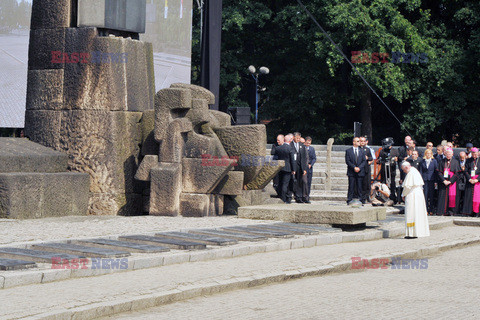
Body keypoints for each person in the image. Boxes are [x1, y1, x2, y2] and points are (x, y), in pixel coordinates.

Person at [401, 162, 430, 238]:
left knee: (412, 213)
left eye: (404, 170)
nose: (404, 172)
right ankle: (419, 232)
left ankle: (412, 233)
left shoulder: (411, 173)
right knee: (418, 213)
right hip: (418, 195)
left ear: (407, 167)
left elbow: (407, 187)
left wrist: (403, 195)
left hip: (412, 195)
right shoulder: (415, 171)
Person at [436, 148, 461, 216]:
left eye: (450, 154)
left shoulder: (456, 162)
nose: (448, 155)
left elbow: (457, 173)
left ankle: (451, 211)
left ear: (452, 154)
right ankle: (443, 211)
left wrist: (450, 181)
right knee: (442, 197)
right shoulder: (441, 161)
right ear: (445, 154)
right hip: (443, 182)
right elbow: (439, 172)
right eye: (447, 153)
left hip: (452, 183)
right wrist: (443, 180)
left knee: (452, 197)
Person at [272, 135, 296, 203]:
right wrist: (294, 169)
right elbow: (292, 160)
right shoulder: (290, 148)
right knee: (285, 184)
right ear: (289, 140)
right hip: (288, 168)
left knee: (280, 183)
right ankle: (284, 199)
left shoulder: (278, 148)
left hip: (280, 168)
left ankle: (280, 197)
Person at [345, 137, 367, 204]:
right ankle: (349, 199)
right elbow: (348, 161)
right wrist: (354, 167)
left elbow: (364, 161)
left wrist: (359, 168)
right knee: (351, 186)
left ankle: (360, 199)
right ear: (354, 142)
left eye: (359, 141)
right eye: (357, 141)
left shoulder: (362, 151)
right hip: (352, 171)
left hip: (360, 171)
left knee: (359, 186)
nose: (359, 142)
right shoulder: (348, 151)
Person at [377, 137, 398, 202]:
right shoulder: (382, 151)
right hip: (384, 170)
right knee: (383, 183)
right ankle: (384, 196)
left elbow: (398, 159)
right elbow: (379, 159)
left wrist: (395, 159)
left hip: (392, 170)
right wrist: (379, 160)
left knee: (392, 183)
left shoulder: (395, 150)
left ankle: (393, 197)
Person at [290, 132, 308, 203]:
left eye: (299, 138)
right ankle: (294, 196)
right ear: (294, 137)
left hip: (300, 166)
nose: (298, 139)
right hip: (293, 166)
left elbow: (304, 158)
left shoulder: (301, 145)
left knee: (300, 182)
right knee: (294, 182)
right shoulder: (290, 145)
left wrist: (304, 169)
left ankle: (299, 197)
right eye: (297, 138)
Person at [462, 148, 480, 217]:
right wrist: (469, 179)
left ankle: (477, 212)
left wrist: (477, 179)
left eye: (476, 153)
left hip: (478, 182)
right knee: (469, 197)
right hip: (470, 181)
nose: (474, 154)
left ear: (478, 153)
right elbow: (465, 171)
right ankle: (469, 212)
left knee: (477, 198)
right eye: (473, 153)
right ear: (471, 153)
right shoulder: (468, 160)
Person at [419, 148, 438, 215]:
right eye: (427, 153)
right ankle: (426, 209)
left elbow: (436, 171)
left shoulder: (434, 161)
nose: (428, 155)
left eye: (429, 153)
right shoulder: (422, 161)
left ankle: (431, 209)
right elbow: (421, 171)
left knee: (431, 195)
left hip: (432, 179)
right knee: (425, 195)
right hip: (425, 179)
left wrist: (436, 181)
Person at [360, 136, 374, 202]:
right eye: (361, 141)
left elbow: (371, 158)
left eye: (363, 141)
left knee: (367, 184)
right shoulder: (357, 149)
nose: (362, 142)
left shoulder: (367, 149)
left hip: (366, 168)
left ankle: (366, 197)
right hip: (359, 169)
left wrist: (368, 158)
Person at [304, 137, 316, 203]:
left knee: (308, 183)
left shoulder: (312, 149)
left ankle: (307, 197)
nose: (308, 144)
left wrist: (311, 164)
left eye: (309, 142)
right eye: (307, 142)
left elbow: (314, 158)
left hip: (309, 168)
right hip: (303, 167)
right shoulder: (302, 148)